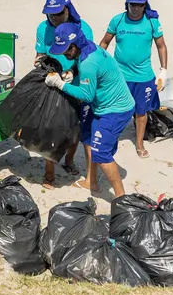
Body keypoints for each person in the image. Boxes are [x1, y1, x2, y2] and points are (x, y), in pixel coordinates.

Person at [45, 23, 135, 198]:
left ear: (76, 44)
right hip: (99, 105)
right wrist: (73, 71)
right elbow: (85, 74)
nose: (64, 53)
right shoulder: (88, 47)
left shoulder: (89, 62)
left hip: (116, 110)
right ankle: (91, 181)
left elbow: (86, 96)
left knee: (101, 153)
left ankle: (121, 198)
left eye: (65, 49)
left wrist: (60, 83)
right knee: (86, 137)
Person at [98, 0, 168, 158]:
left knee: (141, 112)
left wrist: (163, 70)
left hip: (143, 76)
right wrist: (99, 64)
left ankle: (139, 144)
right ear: (127, 4)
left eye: (139, 5)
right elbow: (105, 42)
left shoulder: (152, 22)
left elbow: (161, 46)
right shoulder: (118, 20)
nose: (135, 8)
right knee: (114, 109)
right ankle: (112, 139)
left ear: (145, 5)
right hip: (119, 75)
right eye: (132, 4)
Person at [33, 0, 92, 188]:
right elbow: (41, 53)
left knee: (75, 130)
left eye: (59, 13)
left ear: (68, 9)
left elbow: (88, 58)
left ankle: (69, 161)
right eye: (51, 15)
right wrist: (39, 62)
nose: (55, 18)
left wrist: (72, 73)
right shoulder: (43, 28)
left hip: (75, 84)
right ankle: (49, 174)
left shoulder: (84, 29)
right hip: (52, 83)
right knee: (51, 131)